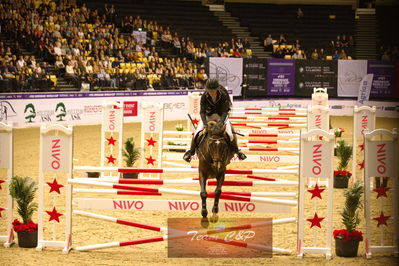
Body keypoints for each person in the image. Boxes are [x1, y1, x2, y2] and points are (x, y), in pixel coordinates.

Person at [183, 79, 247, 162]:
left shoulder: (223, 95)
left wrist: (221, 122)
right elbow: (202, 112)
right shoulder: (204, 96)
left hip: (221, 116)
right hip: (208, 116)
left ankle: (238, 152)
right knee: (197, 133)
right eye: (210, 91)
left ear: (217, 89)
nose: (211, 92)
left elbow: (225, 111)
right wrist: (205, 124)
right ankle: (190, 152)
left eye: (213, 91)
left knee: (230, 134)